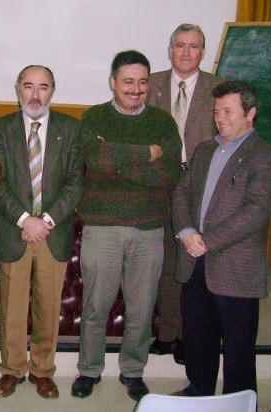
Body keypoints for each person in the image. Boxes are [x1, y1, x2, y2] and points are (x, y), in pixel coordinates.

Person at [72, 50, 182, 401]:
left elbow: (168, 174)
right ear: (113, 82)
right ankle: (89, 370)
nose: (136, 89)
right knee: (95, 307)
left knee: (142, 308)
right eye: (128, 81)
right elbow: (94, 158)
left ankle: (133, 370)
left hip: (149, 228)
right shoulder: (94, 117)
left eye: (143, 82)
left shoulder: (163, 122)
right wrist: (148, 153)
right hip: (101, 227)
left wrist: (116, 160)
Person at [171, 80, 271, 396]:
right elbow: (181, 194)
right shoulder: (205, 150)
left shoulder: (267, 156)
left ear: (250, 113)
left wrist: (205, 241)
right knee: (198, 339)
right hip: (194, 262)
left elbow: (254, 214)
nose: (220, 118)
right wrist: (186, 232)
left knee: (238, 351)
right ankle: (199, 393)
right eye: (216, 111)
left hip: (236, 268)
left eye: (228, 111)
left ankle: (240, 403)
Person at [0, 65, 84, 399]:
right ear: (18, 88)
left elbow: (76, 182)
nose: (35, 95)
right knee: (12, 308)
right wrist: (24, 219)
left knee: (48, 306)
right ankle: (12, 369)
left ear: (52, 91)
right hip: (14, 230)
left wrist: (46, 221)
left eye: (43, 87)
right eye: (28, 86)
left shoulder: (71, 128)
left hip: (52, 233)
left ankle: (43, 370)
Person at [147, 23, 224, 364]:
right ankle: (166, 333)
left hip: (201, 185)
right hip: (159, 185)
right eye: (180, 45)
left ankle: (188, 337)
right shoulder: (150, 84)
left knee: (193, 264)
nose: (186, 52)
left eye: (193, 46)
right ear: (170, 49)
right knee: (166, 261)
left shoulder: (219, 88)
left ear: (203, 52)